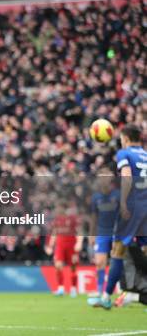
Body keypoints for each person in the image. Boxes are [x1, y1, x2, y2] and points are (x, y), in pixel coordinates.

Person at [89, 124, 147, 309]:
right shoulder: (145, 155)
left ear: (126, 139)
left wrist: (123, 202)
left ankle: (106, 296)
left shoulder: (125, 154)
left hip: (133, 207)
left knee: (118, 251)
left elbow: (127, 177)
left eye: (122, 139)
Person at [89, 169, 119, 296]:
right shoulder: (96, 197)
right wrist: (91, 234)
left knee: (117, 261)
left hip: (117, 233)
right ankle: (100, 290)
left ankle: (121, 290)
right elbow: (93, 217)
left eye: (106, 176)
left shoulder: (118, 195)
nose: (103, 179)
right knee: (100, 262)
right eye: (101, 176)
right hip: (102, 233)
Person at [46, 202, 82, 297]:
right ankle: (60, 288)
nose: (57, 210)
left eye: (59, 208)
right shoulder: (56, 220)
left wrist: (79, 242)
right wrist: (50, 245)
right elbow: (54, 233)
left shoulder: (72, 219)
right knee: (58, 266)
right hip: (60, 246)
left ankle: (73, 289)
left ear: (64, 209)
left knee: (73, 267)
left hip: (71, 246)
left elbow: (79, 232)